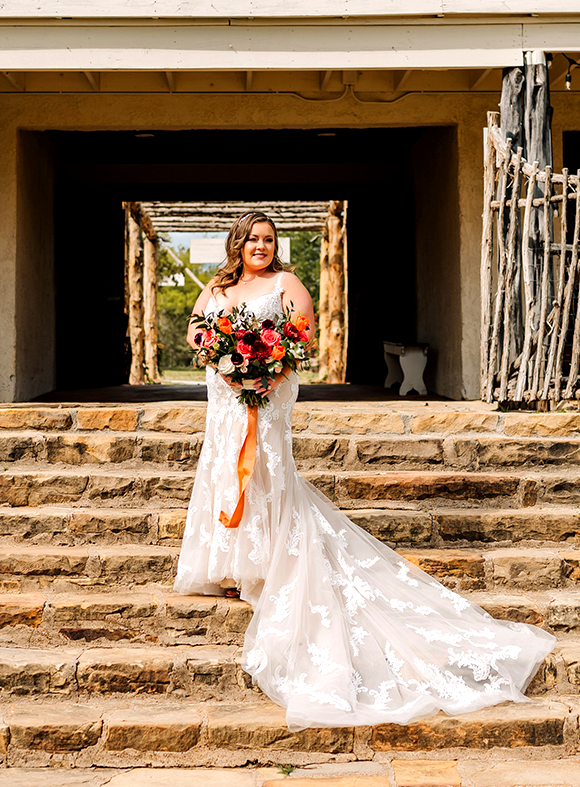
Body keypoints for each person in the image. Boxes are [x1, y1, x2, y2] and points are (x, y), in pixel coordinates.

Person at [173, 211, 556, 730]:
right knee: (226, 471)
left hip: (267, 398)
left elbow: (299, 342)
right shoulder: (217, 287)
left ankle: (264, 564)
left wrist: (268, 374)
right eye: (252, 239)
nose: (260, 246)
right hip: (224, 400)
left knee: (268, 473)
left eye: (268, 239)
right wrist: (219, 359)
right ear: (237, 244)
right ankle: (230, 566)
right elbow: (197, 333)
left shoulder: (288, 284)